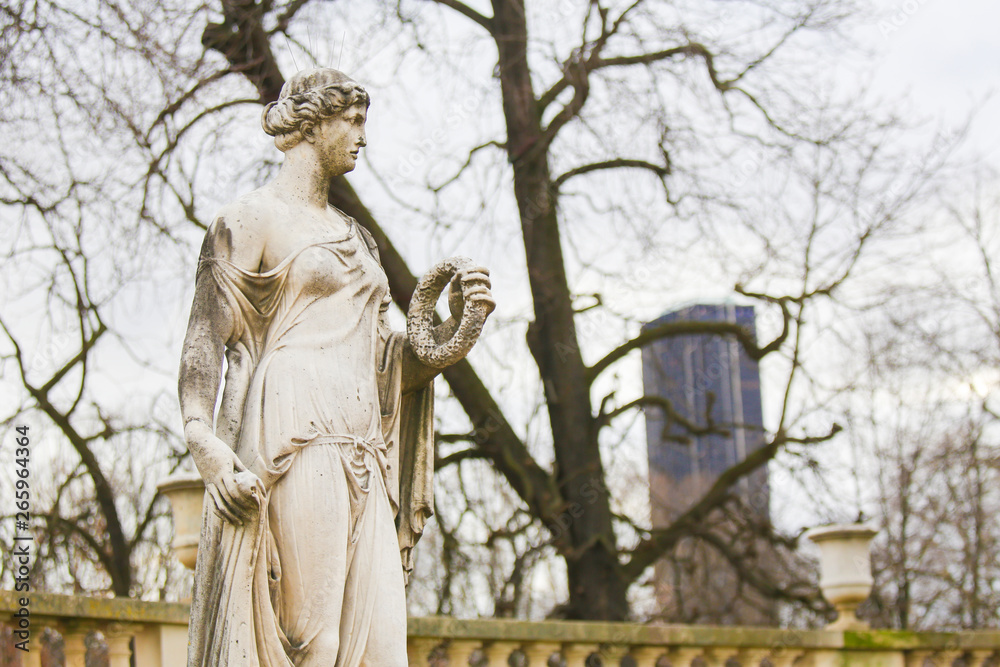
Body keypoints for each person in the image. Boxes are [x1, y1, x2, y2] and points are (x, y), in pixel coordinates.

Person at [177, 68, 493, 667]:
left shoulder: (359, 240)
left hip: (365, 444)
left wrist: (452, 331)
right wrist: (204, 442)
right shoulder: (250, 219)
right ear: (311, 122)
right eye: (352, 121)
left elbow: (387, 371)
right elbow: (204, 341)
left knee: (382, 649)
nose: (362, 136)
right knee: (312, 642)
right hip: (296, 431)